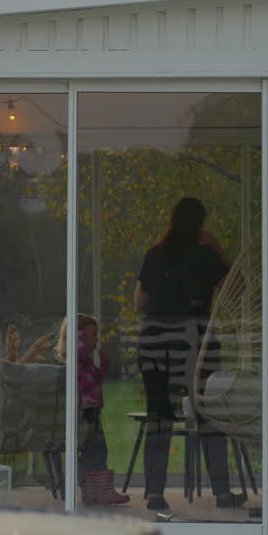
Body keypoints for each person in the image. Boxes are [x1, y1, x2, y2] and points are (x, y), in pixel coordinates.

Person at [135, 197, 245, 513]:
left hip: (155, 343)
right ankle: (222, 494)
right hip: (196, 342)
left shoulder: (155, 255)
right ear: (200, 223)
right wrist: (217, 247)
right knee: (209, 413)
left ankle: (154, 493)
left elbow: (140, 304)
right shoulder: (205, 255)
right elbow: (238, 287)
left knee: (160, 414)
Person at [56, 313, 129, 505]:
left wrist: (103, 363)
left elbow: (97, 379)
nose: (97, 340)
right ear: (78, 337)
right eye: (93, 335)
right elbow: (84, 382)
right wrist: (79, 340)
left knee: (97, 449)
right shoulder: (78, 357)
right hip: (85, 411)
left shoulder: (85, 358)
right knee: (93, 450)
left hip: (92, 409)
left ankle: (98, 491)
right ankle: (95, 491)